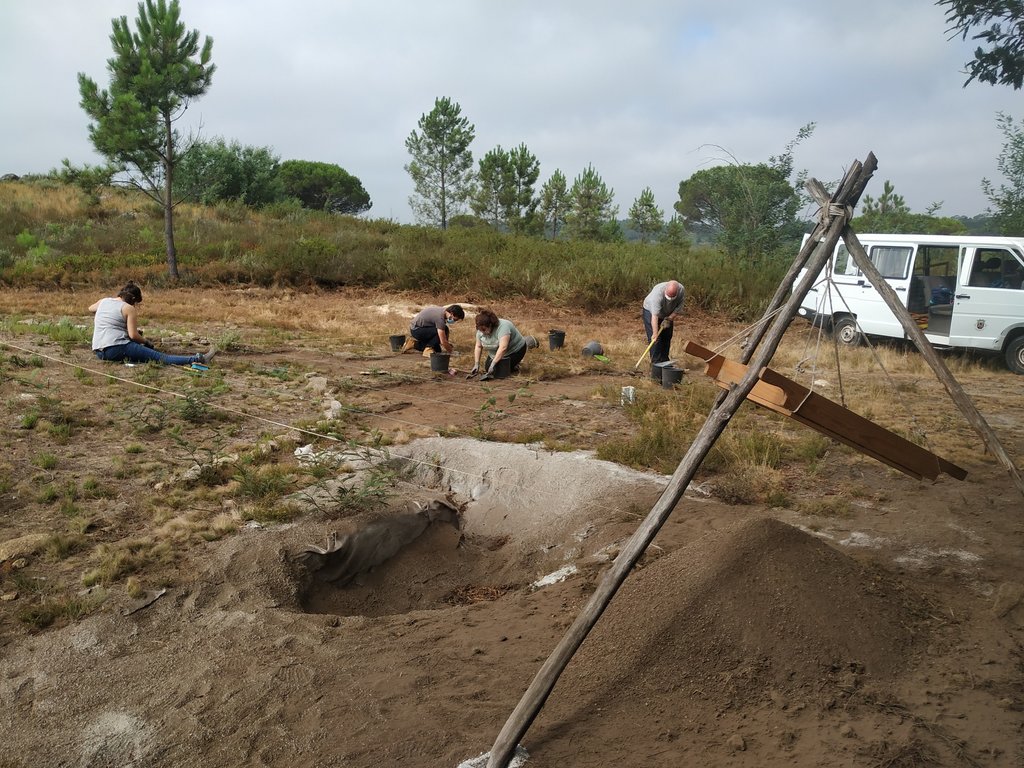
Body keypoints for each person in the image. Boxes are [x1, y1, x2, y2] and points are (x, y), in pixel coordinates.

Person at [89, 282, 217, 366]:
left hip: (100, 351)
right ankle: (198, 359)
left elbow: (90, 308)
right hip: (116, 347)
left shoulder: (104, 301)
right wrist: (146, 342)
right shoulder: (128, 308)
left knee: (142, 356)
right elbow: (133, 335)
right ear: (133, 300)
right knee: (161, 357)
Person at [471, 308, 528, 380]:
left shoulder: (503, 327)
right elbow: (478, 346)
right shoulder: (480, 331)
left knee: (499, 373)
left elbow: (503, 348)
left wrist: (493, 364)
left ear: (490, 325)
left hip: (514, 350)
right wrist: (476, 364)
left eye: (484, 329)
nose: (482, 332)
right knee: (488, 369)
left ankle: (517, 363)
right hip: (495, 351)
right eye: (480, 330)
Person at [642, 280, 685, 366]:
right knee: (656, 339)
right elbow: (654, 317)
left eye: (672, 298)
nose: (670, 300)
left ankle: (665, 362)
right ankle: (656, 363)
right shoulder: (657, 295)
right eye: (668, 297)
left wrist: (669, 319)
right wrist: (655, 333)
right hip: (651, 312)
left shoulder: (681, 290)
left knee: (667, 336)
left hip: (668, 314)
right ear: (665, 290)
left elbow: (678, 308)